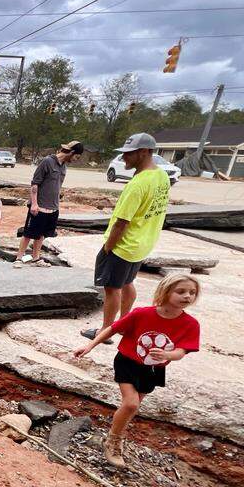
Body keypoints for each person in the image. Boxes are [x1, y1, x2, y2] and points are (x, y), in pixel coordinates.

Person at [73, 274, 201, 468]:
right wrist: (90, 346)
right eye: (181, 291)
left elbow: (182, 351)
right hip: (127, 362)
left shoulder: (190, 324)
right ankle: (113, 441)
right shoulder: (142, 314)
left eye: (192, 293)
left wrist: (169, 355)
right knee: (131, 404)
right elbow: (112, 329)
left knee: (131, 407)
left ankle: (116, 434)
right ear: (166, 291)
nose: (187, 296)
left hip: (153, 370)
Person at [81, 133, 170, 341]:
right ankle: (124, 324)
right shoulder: (161, 176)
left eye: (129, 154)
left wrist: (108, 247)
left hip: (124, 245)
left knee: (112, 288)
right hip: (142, 243)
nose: (124, 159)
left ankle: (105, 331)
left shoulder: (138, 184)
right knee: (127, 282)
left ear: (145, 152)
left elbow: (122, 222)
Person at [18, 140, 83, 263]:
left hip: (53, 207)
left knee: (42, 234)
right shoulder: (47, 162)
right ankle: (18, 258)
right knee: (28, 233)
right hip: (39, 206)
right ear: (72, 152)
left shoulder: (64, 166)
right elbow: (35, 184)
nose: (76, 159)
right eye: (77, 156)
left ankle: (36, 258)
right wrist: (34, 204)